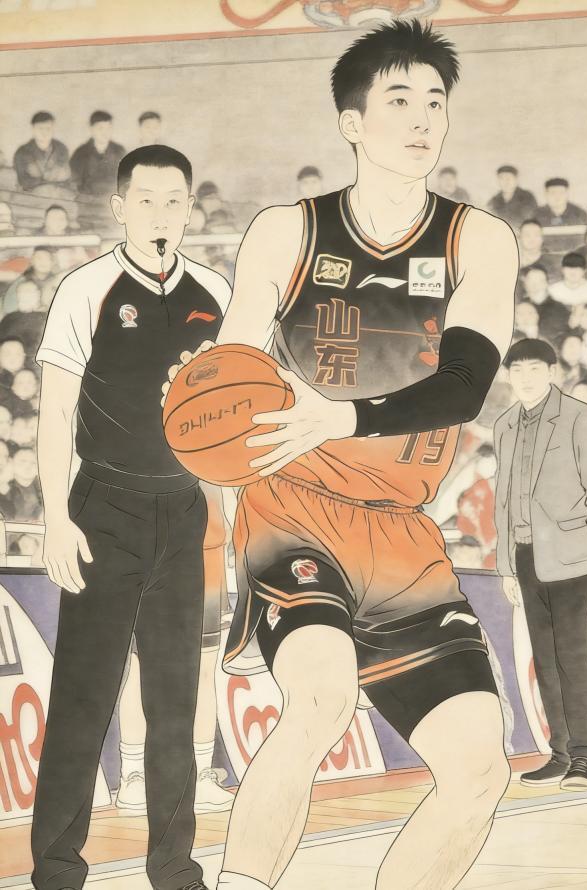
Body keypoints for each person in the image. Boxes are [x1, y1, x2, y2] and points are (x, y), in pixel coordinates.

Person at [167, 21, 516, 890]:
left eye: (435, 102)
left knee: (480, 769)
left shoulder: (479, 240)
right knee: (319, 695)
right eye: (399, 100)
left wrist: (343, 416)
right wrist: (202, 390)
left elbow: (464, 387)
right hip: (292, 504)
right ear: (352, 123)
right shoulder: (287, 231)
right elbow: (237, 365)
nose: (423, 118)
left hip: (400, 528)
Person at [30, 145, 231, 890]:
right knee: (83, 698)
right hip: (102, 509)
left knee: (174, 704)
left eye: (173, 200)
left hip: (183, 509)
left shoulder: (215, 291)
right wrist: (57, 517)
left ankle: (175, 869)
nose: (160, 213)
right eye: (145, 200)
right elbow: (55, 413)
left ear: (190, 209)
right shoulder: (85, 288)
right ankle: (56, 869)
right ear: (119, 207)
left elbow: (233, 414)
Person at [493, 338, 587, 791]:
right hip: (525, 555)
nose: (525, 378)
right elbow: (503, 499)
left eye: (534, 369)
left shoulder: (577, 416)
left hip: (571, 553)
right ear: (508, 376)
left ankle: (584, 757)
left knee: (571, 654)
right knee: (544, 659)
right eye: (517, 370)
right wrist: (505, 565)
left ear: (552, 372)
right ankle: (560, 752)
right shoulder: (505, 424)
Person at [116, 483, 234, 816]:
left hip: (207, 551)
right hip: (150, 549)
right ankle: (133, 776)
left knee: (203, 670)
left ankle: (200, 775)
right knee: (141, 666)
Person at [549, 252, 587, 330]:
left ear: (585, 270)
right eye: (569, 267)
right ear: (562, 270)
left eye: (577, 268)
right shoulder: (553, 290)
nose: (573, 272)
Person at [70, 110, 126, 197]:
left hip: (113, 199)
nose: (105, 133)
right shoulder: (80, 153)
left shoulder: (119, 151)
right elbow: (74, 184)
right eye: (100, 128)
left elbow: (125, 181)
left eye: (109, 128)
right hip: (87, 200)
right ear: (91, 129)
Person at [13, 111, 71, 194]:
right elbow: (25, 182)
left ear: (53, 129)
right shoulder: (22, 152)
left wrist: (41, 177)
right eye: (40, 128)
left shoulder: (62, 149)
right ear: (33, 129)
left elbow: (65, 177)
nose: (44, 133)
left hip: (58, 193)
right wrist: (53, 177)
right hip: (30, 195)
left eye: (48, 128)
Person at [519, 263, 570, 346]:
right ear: (525, 284)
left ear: (546, 283)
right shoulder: (519, 306)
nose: (535, 284)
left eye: (539, 280)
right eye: (530, 280)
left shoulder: (559, 309)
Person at [487, 164, 537, 230]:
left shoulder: (527, 197)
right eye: (501, 178)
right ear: (498, 181)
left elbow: (528, 220)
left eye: (509, 178)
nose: (505, 182)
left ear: (516, 180)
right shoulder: (494, 200)